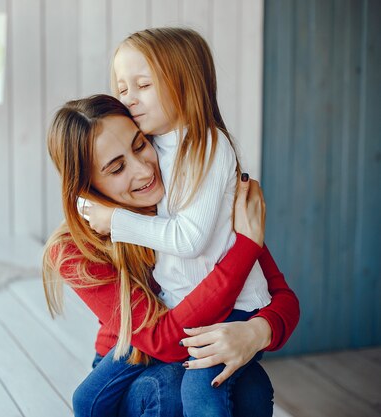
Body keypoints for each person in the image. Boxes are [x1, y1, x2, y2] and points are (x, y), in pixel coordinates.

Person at [42, 94, 299, 417]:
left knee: (251, 386)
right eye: (118, 167)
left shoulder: (195, 202)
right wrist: (246, 247)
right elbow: (162, 340)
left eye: (140, 145)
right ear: (86, 186)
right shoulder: (74, 248)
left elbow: (281, 297)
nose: (143, 170)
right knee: (171, 385)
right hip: (130, 369)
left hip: (199, 348)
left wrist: (256, 332)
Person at [81, 28, 279, 416]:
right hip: (175, 310)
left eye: (143, 85)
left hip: (230, 308)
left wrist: (115, 220)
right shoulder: (154, 145)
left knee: (201, 392)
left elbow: (189, 239)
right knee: (87, 399)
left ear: (184, 85)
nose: (128, 98)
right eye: (122, 88)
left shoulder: (208, 145)